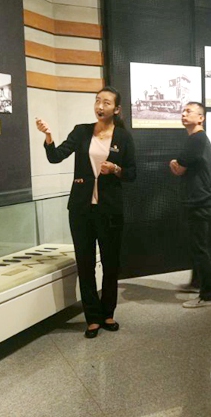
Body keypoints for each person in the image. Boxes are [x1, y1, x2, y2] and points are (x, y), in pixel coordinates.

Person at [36, 86, 137, 339]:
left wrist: (115, 169)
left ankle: (108, 312)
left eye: (106, 102)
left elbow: (132, 173)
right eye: (97, 101)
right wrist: (48, 137)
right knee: (85, 263)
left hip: (110, 210)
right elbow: (56, 156)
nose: (100, 106)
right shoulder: (81, 131)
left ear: (116, 109)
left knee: (111, 263)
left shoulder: (124, 137)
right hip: (81, 209)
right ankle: (92, 317)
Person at [169, 102, 211, 308]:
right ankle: (197, 283)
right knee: (196, 245)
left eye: (189, 111)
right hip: (197, 198)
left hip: (199, 200)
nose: (183, 114)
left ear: (201, 118)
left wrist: (175, 164)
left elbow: (179, 168)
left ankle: (208, 296)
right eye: (183, 111)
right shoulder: (195, 139)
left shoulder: (197, 139)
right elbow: (182, 166)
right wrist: (178, 165)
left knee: (199, 247)